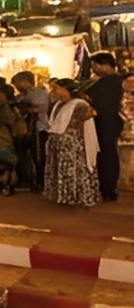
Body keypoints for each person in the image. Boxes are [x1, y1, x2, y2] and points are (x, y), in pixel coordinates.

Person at [44, 79, 101, 208]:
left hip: (73, 144)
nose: (53, 92)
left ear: (66, 90)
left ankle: (76, 196)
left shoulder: (79, 104)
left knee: (73, 169)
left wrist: (72, 126)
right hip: (58, 142)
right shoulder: (58, 104)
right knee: (60, 169)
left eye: (57, 88)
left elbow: (90, 113)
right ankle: (63, 196)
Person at [85, 53, 125, 202]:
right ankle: (108, 187)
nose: (94, 69)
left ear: (105, 65)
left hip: (105, 121)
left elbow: (95, 98)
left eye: (96, 65)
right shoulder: (111, 81)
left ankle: (108, 188)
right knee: (107, 153)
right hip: (107, 121)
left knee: (106, 154)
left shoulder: (110, 81)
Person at [12, 71, 50, 192]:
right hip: (25, 131)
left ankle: (41, 181)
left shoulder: (40, 94)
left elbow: (39, 108)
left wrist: (23, 109)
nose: (17, 87)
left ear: (25, 82)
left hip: (38, 129)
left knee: (38, 156)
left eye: (17, 84)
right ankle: (28, 180)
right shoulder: (23, 96)